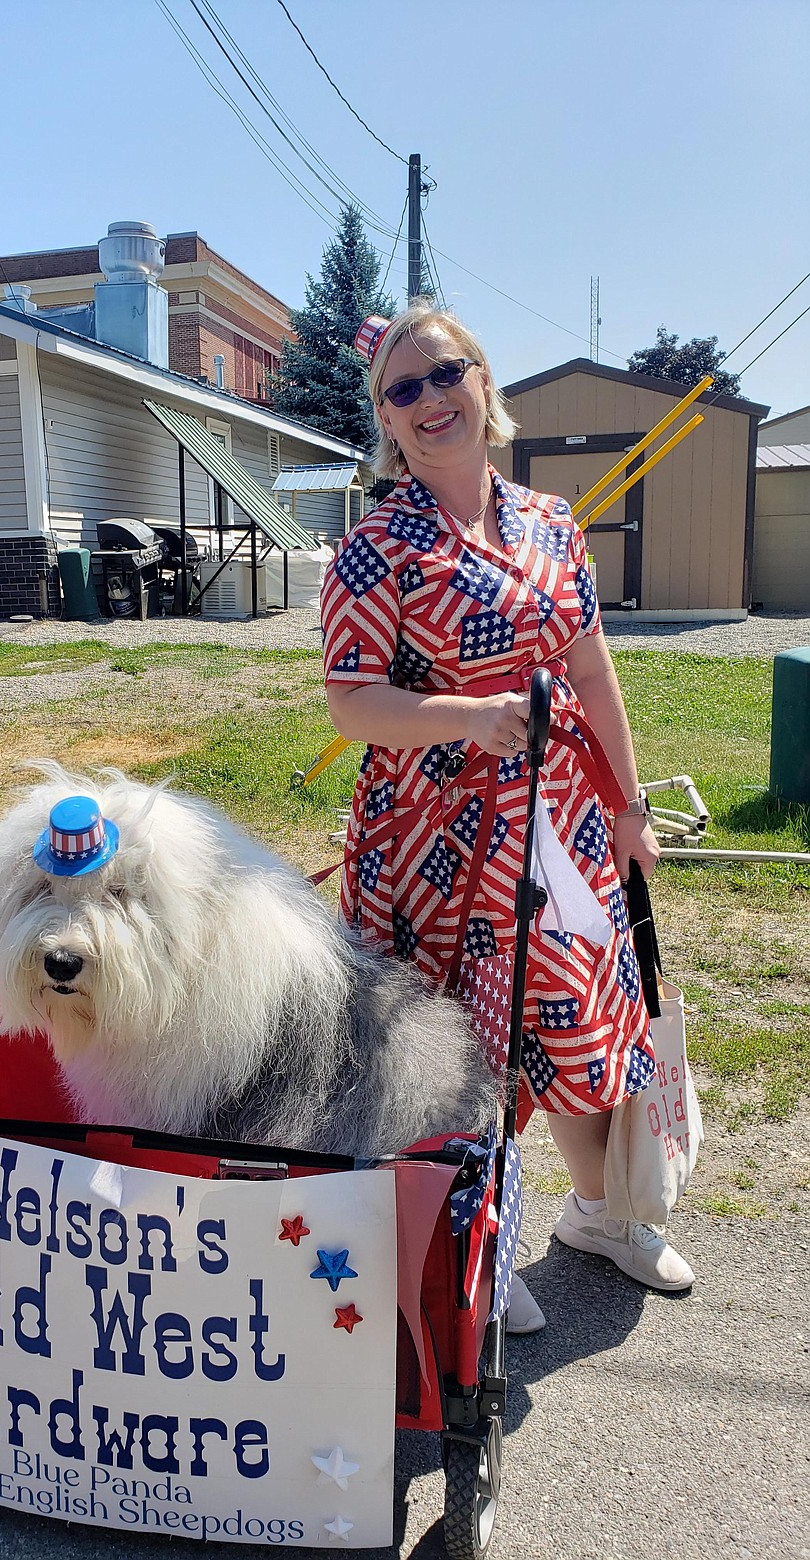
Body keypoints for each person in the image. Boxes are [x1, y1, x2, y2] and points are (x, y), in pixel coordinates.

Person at [320, 305, 694, 1331]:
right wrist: (469, 717)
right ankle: (470, 1245)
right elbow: (350, 700)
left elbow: (590, 665)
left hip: (561, 819)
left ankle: (597, 1215)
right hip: (430, 839)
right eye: (403, 390)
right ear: (386, 420)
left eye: (446, 375)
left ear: (484, 384)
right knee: (450, 1044)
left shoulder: (551, 522)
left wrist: (628, 804)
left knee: (571, 1012)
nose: (430, 400)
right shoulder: (373, 548)